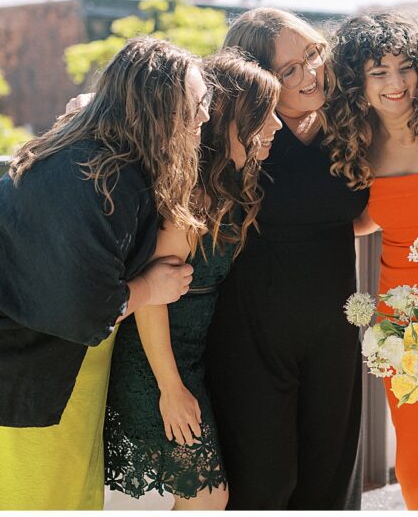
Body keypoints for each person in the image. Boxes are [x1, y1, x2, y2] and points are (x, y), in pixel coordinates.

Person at [0, 37, 206, 510]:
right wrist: (152, 287)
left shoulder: (105, 154)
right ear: (158, 108)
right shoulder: (97, 171)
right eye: (197, 104)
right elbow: (83, 307)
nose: (205, 117)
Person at [204, 8, 369, 509]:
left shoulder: (350, 122)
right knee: (261, 485)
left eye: (313, 55)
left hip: (336, 333)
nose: (310, 75)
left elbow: (362, 212)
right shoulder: (238, 138)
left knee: (330, 482)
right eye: (288, 70)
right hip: (251, 334)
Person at [103, 50, 282, 509]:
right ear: (231, 120)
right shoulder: (194, 196)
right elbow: (153, 297)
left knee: (202, 496)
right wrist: (170, 389)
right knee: (206, 496)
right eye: (265, 116)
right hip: (155, 363)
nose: (277, 126)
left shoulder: (228, 185)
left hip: (190, 360)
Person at [324, 12, 418, 509]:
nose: (395, 83)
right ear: (356, 82)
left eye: (405, 67)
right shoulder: (355, 139)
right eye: (378, 72)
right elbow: (367, 217)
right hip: (400, 319)